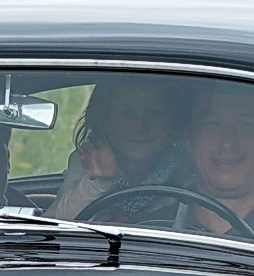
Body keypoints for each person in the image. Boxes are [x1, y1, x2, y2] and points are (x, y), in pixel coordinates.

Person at [48, 80, 187, 221]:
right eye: (127, 114)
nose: (141, 126)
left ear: (172, 121)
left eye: (154, 114)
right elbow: (58, 221)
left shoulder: (187, 168)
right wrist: (99, 183)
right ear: (106, 122)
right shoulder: (89, 160)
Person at [176, 82, 254, 243]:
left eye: (246, 125)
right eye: (213, 124)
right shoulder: (150, 228)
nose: (228, 143)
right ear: (189, 139)